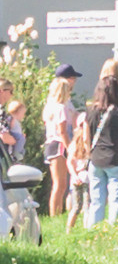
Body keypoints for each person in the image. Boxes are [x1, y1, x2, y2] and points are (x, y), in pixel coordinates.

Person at [82, 63, 118, 231]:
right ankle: (113, 228)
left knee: (97, 198)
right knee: (116, 197)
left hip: (95, 158)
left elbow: (86, 134)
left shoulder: (90, 110)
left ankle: (93, 228)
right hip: (113, 158)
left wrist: (88, 152)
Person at [42, 66, 78, 215]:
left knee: (57, 184)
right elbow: (62, 131)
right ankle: (55, 213)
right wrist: (70, 147)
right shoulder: (61, 108)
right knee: (61, 184)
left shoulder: (49, 106)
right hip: (59, 144)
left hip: (50, 144)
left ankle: (55, 213)